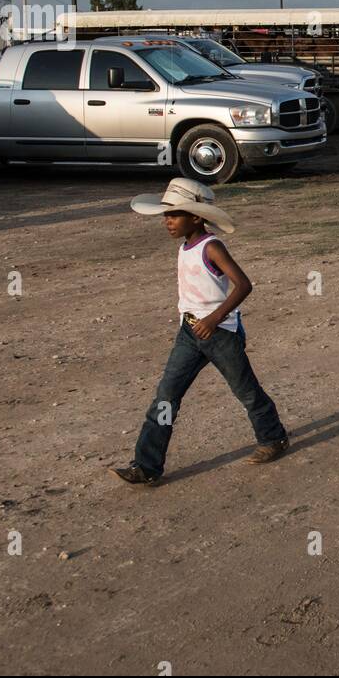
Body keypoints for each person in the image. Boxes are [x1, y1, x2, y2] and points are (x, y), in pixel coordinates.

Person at [111, 178, 289, 485]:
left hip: (221, 335)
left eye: (173, 215)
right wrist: (193, 322)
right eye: (165, 215)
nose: (167, 221)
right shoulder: (184, 247)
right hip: (189, 334)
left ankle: (273, 438)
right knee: (166, 397)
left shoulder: (212, 247)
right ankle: (147, 466)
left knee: (246, 391)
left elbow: (244, 285)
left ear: (195, 217)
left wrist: (214, 319)